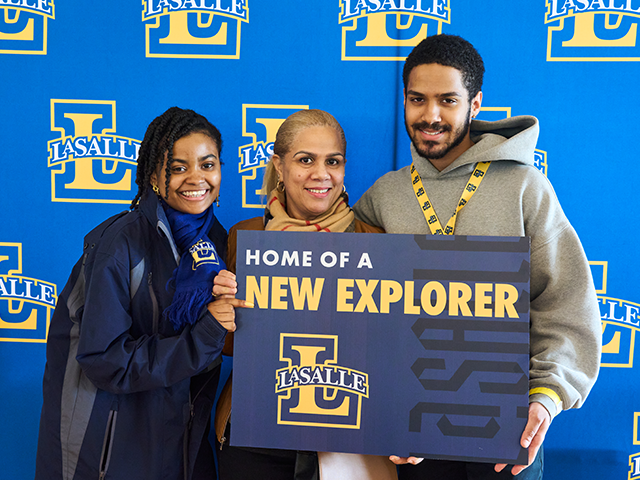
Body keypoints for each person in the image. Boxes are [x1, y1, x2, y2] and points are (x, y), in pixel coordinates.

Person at [353, 34, 602, 479]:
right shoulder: (384, 196)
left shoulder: (526, 188)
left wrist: (546, 397)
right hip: (414, 429)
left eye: (447, 100)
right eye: (417, 99)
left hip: (509, 427)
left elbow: (566, 303)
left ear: (475, 104)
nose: (430, 115)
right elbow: (342, 299)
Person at [35, 107, 250, 480]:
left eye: (207, 164)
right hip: (111, 451)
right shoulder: (120, 244)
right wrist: (208, 331)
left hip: (180, 446)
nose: (195, 178)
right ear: (153, 176)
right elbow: (104, 358)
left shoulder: (216, 242)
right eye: (178, 167)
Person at [212, 109, 397, 480]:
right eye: (305, 160)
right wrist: (220, 313)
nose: (321, 174)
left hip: (351, 430)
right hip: (258, 426)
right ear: (279, 166)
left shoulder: (375, 240)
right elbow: (232, 346)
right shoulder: (245, 236)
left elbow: (391, 347)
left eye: (333, 161)